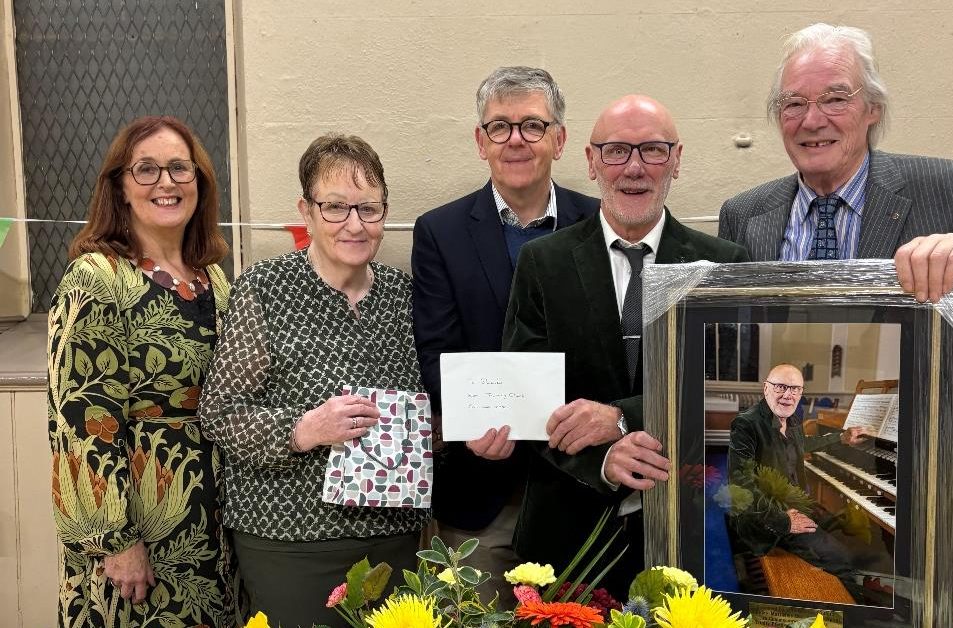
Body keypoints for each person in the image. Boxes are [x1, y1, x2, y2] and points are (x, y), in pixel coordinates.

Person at [501, 95, 748, 594]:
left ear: (676, 159)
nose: (634, 168)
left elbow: (731, 392)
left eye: (653, 150)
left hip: (687, 532)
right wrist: (603, 461)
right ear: (592, 162)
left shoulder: (722, 265)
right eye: (616, 151)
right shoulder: (542, 263)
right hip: (568, 540)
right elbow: (527, 399)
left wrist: (624, 419)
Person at [198, 133, 426, 627]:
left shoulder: (404, 296)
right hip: (289, 538)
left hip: (392, 534)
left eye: (369, 209)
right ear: (306, 210)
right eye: (336, 208)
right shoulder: (266, 288)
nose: (354, 224)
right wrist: (301, 430)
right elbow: (218, 411)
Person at [718, 22, 953, 371]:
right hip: (783, 418)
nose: (811, 120)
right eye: (794, 103)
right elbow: (731, 354)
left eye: (835, 99)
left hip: (914, 425)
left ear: (873, 109)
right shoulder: (743, 214)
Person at [411, 66, 596, 593]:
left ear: (559, 140)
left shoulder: (596, 223)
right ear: (480, 141)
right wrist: (476, 420)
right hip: (479, 492)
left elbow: (609, 350)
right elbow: (436, 352)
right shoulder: (439, 233)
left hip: (578, 488)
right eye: (500, 127)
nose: (516, 140)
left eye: (533, 126)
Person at [47, 115, 234, 626]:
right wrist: (115, 540)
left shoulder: (214, 278)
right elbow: (80, 419)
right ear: (120, 188)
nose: (166, 183)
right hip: (140, 533)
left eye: (179, 168)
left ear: (199, 181)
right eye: (146, 170)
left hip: (213, 525)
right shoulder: (97, 278)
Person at [726, 364, 872, 600]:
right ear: (766, 389)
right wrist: (784, 521)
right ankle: (854, 612)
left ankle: (858, 590)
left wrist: (842, 438)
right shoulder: (747, 425)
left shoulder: (791, 420)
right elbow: (740, 486)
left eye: (795, 389)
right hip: (765, 519)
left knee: (850, 534)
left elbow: (804, 444)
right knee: (842, 557)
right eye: (781, 387)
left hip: (793, 504)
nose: (788, 394)